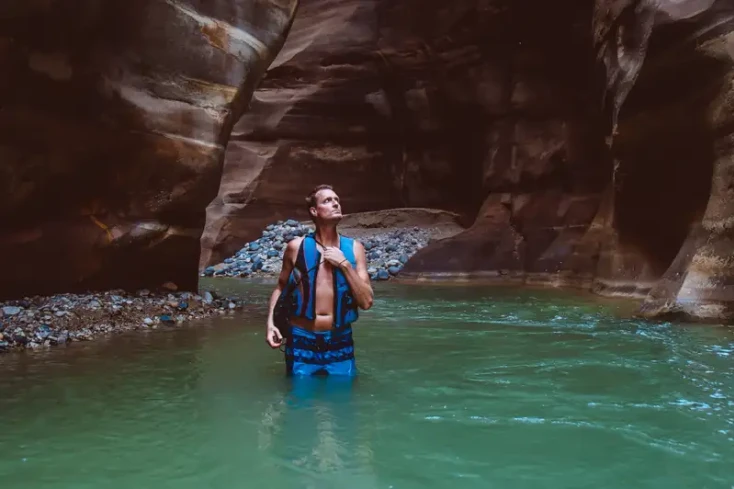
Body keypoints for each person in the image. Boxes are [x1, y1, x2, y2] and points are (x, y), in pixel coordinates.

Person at [265, 184, 374, 376]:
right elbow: (280, 288)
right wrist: (271, 324)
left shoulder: (355, 249)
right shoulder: (295, 247)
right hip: (301, 338)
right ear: (314, 211)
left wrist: (345, 265)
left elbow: (366, 302)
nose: (335, 204)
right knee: (299, 401)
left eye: (337, 200)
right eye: (328, 200)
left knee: (342, 401)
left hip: (340, 340)